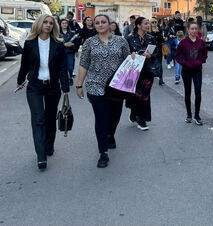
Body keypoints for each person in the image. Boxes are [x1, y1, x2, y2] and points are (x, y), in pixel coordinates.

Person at [76, 14, 130, 168]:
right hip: (95, 85)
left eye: (103, 22)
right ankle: (103, 152)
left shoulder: (121, 41)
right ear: (94, 25)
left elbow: (127, 61)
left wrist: (137, 57)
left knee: (115, 116)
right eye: (97, 23)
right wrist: (79, 85)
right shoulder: (89, 43)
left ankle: (110, 133)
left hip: (116, 86)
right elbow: (83, 64)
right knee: (101, 117)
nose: (100, 25)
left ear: (109, 24)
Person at [17, 14, 69, 171]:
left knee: (50, 118)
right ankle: (41, 156)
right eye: (45, 22)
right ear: (39, 24)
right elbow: (24, 65)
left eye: (51, 23)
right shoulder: (30, 43)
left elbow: (62, 67)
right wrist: (20, 80)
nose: (48, 25)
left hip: (52, 86)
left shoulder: (58, 44)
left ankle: (49, 143)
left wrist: (65, 89)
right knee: (38, 119)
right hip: (35, 87)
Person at [126, 17, 158, 130]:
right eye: (145, 23)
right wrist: (134, 54)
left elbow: (156, 55)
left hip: (148, 71)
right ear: (139, 25)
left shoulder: (151, 38)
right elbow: (125, 54)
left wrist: (150, 56)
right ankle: (134, 112)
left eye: (148, 23)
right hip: (134, 71)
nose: (148, 25)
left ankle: (141, 119)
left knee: (144, 95)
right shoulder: (130, 39)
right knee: (135, 95)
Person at [175, 21, 208, 125]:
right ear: (188, 30)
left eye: (196, 29)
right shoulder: (183, 42)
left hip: (197, 70)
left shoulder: (201, 42)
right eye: (192, 29)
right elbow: (177, 56)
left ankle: (197, 115)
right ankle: (189, 114)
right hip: (186, 71)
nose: (194, 31)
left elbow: (205, 55)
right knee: (187, 92)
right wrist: (184, 63)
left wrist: (200, 61)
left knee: (198, 92)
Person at [60, 19, 79, 86]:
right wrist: (64, 44)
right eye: (63, 23)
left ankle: (70, 77)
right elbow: (56, 43)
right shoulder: (57, 33)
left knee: (70, 67)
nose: (64, 24)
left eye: (66, 23)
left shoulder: (72, 33)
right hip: (61, 53)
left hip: (70, 52)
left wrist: (75, 49)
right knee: (62, 67)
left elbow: (76, 43)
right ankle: (64, 79)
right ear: (60, 24)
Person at [149, 17, 165, 85]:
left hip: (158, 49)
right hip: (151, 49)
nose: (155, 24)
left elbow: (162, 40)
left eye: (156, 22)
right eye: (153, 22)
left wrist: (162, 38)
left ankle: (161, 79)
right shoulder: (148, 31)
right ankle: (151, 77)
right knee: (151, 63)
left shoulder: (159, 30)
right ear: (150, 23)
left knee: (160, 64)